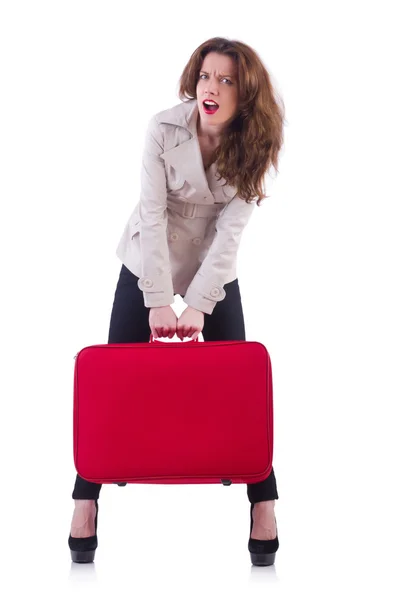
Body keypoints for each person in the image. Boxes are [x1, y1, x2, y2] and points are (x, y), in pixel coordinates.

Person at [68, 36, 285, 567]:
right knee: (113, 376)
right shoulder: (162, 128)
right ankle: (85, 496)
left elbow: (230, 235)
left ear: (245, 95)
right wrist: (159, 300)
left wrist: (200, 308)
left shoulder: (255, 147)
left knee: (239, 379)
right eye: (207, 76)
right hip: (151, 254)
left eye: (227, 80)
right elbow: (151, 212)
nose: (212, 88)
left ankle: (264, 499)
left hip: (214, 261)